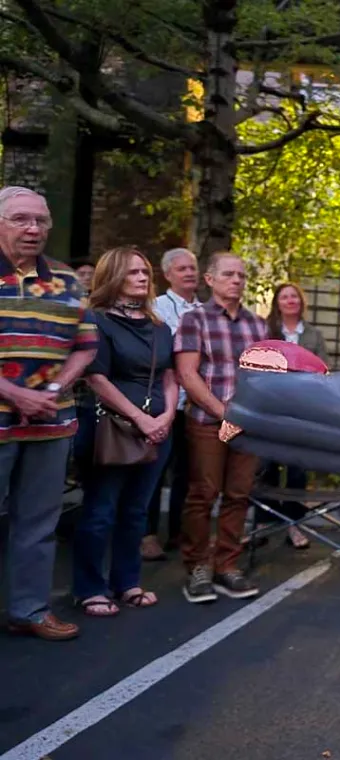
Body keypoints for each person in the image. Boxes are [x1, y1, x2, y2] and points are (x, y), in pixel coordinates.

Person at [0, 186, 97, 641]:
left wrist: (54, 389)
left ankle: (29, 610)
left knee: (39, 523)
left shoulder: (67, 281)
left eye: (40, 220)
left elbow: (85, 346)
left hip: (52, 422)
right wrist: (14, 395)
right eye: (20, 219)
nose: (33, 229)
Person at [71, 246, 177, 616]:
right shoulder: (96, 320)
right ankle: (88, 588)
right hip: (110, 427)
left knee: (136, 512)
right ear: (114, 276)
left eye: (146, 271)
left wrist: (164, 420)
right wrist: (141, 418)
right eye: (133, 272)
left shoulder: (160, 326)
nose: (143, 277)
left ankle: (127, 582)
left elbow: (170, 376)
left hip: (157, 430)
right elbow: (96, 378)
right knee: (100, 510)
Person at [175, 252, 267, 603]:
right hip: (207, 422)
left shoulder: (257, 325)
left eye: (242, 275)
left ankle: (227, 565)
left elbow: (266, 377)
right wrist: (222, 412)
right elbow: (187, 374)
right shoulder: (193, 320)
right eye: (229, 274)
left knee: (239, 495)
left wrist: (251, 415)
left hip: (248, 425)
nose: (237, 280)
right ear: (209, 280)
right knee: (203, 494)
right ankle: (198, 566)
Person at [257, 282, 330, 549]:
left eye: (294, 297)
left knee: (297, 468)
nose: (290, 301)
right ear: (277, 302)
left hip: (303, 410)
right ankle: (264, 521)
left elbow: (324, 368)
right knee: (266, 466)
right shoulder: (265, 330)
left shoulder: (313, 334)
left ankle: (294, 524)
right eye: (285, 297)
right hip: (269, 408)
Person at [141, 247, 202, 561]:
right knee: (155, 469)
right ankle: (147, 533)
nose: (189, 273)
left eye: (192, 268)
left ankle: (179, 531)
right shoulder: (157, 308)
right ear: (167, 274)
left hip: (197, 404)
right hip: (166, 404)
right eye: (182, 269)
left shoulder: (206, 310)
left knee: (187, 472)